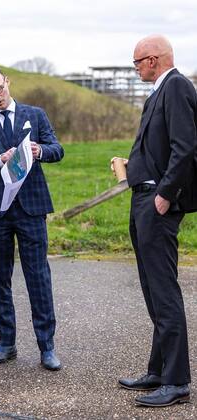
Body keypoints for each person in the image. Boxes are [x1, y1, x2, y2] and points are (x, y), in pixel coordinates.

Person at [113, 35, 196, 407]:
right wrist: (134, 167)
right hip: (144, 199)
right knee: (152, 288)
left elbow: (186, 146)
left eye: (136, 63)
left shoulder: (176, 87)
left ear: (152, 60)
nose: (135, 69)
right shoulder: (160, 91)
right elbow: (161, 149)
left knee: (164, 292)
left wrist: (165, 195)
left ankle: (177, 382)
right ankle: (159, 369)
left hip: (158, 204)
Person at [0, 67, 64, 370]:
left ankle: (46, 346)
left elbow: (57, 149)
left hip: (32, 208)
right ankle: (6, 343)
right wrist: (1, 159)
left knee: (38, 276)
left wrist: (39, 151)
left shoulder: (34, 115)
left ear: (7, 82)